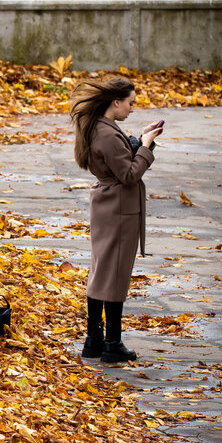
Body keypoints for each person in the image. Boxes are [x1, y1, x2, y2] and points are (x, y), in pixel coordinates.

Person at [69, 77, 163, 363]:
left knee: (101, 272)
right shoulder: (108, 133)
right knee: (115, 276)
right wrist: (145, 146)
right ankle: (111, 343)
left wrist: (141, 142)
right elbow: (129, 175)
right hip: (119, 208)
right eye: (130, 103)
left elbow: (118, 162)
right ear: (116, 101)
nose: (132, 109)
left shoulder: (98, 126)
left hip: (108, 205)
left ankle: (94, 341)